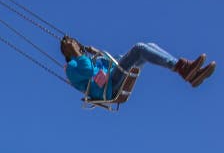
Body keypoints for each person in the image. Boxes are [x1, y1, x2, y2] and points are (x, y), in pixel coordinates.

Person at [60, 36, 216, 100]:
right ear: (68, 51)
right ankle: (183, 68)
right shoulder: (71, 67)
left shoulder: (87, 59)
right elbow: (87, 72)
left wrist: (98, 54)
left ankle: (192, 74)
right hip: (108, 87)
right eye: (72, 45)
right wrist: (76, 54)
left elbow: (108, 64)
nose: (75, 45)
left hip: (112, 76)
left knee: (150, 47)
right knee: (139, 49)